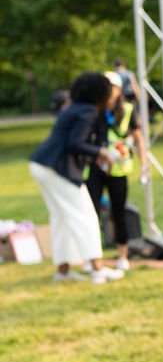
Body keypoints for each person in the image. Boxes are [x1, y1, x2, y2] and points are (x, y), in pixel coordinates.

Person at [28, 72, 125, 285]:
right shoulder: (88, 111)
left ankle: (62, 271)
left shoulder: (75, 108)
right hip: (56, 168)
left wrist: (96, 155)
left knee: (61, 218)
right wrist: (101, 153)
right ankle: (98, 271)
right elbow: (75, 143)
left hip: (42, 164)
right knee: (86, 216)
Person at [86, 71, 149, 272]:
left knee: (118, 211)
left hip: (119, 168)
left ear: (118, 89)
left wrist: (144, 165)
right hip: (97, 167)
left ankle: (122, 254)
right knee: (91, 210)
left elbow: (138, 138)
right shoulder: (95, 110)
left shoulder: (128, 110)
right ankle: (93, 257)